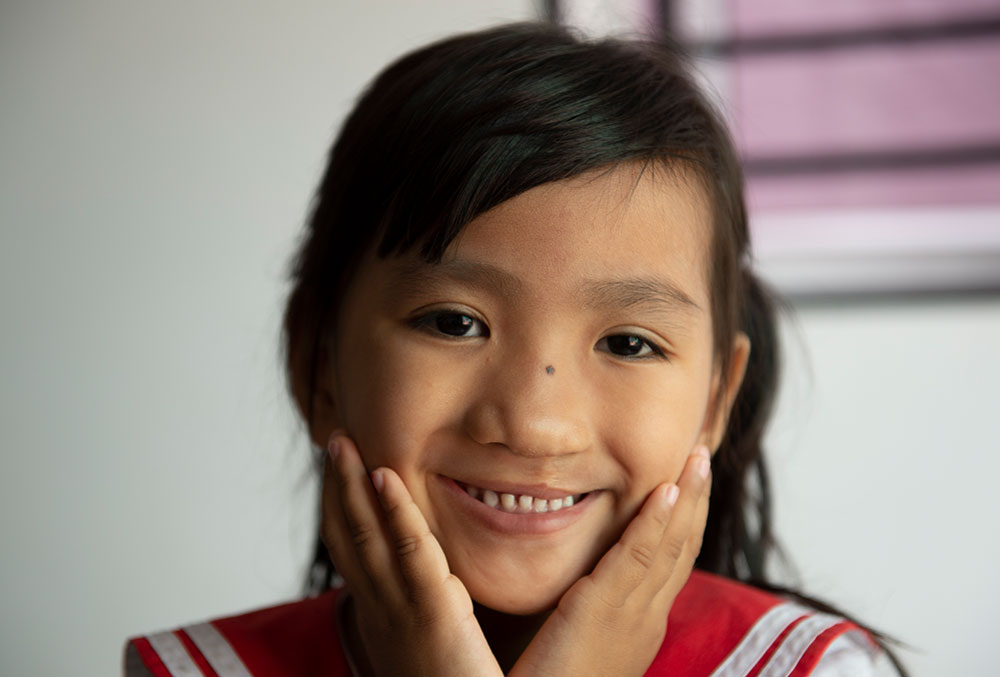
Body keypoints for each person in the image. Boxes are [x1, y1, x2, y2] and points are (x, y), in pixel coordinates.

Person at [124, 22, 904, 676]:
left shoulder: (807, 667)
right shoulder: (199, 669)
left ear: (715, 400)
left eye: (628, 341)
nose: (534, 424)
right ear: (317, 364)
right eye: (455, 323)